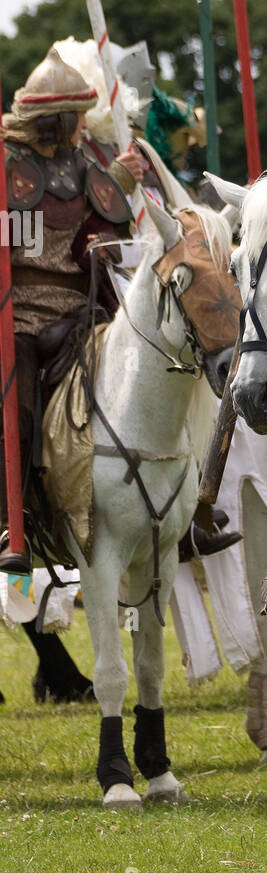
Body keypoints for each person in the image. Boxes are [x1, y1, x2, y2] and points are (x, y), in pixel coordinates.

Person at [0, 46, 144, 697]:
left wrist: (126, 182)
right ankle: (16, 504)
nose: (76, 127)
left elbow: (105, 223)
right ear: (50, 118)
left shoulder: (83, 165)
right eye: (70, 117)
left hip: (83, 313)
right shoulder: (7, 165)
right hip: (19, 321)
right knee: (18, 405)